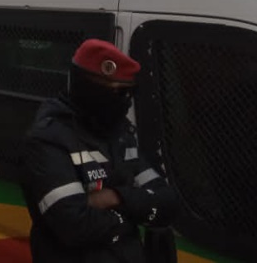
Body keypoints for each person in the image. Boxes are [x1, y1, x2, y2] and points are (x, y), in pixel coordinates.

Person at [19, 39, 178, 263]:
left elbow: (168, 202)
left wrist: (116, 197)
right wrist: (135, 213)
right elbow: (74, 227)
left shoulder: (120, 135)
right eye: (117, 93)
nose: (125, 103)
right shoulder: (48, 140)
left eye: (129, 93)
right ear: (89, 89)